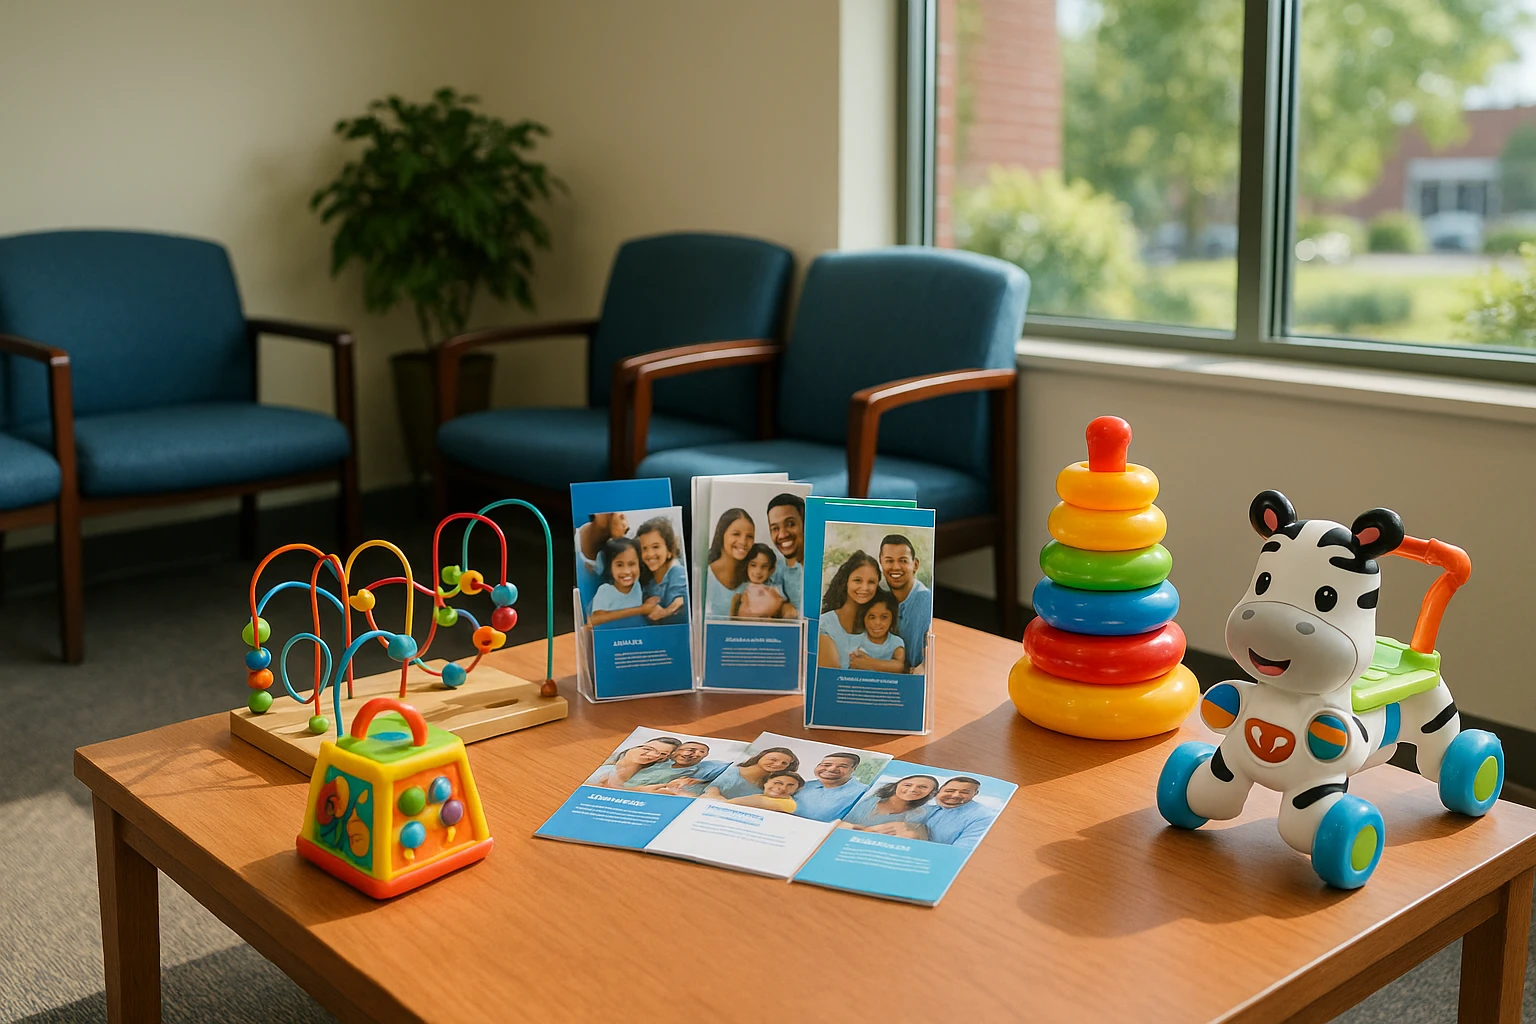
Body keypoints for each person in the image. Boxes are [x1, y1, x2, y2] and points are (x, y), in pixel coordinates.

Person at [817, 551, 881, 669]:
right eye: (858, 580)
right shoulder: (824, 625)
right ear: (846, 582)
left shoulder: (879, 625)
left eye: (871, 582)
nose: (865, 588)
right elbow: (831, 675)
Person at [879, 534, 932, 671]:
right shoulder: (880, 599)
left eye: (903, 560)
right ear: (881, 562)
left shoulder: (925, 601)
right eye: (889, 561)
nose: (896, 567)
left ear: (915, 565)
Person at [589, 537, 659, 628]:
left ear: (639, 564)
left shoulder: (636, 585)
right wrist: (640, 610)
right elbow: (596, 619)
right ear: (610, 567)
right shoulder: (605, 590)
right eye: (619, 565)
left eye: (632, 564)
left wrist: (649, 602)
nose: (626, 571)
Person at [908, 777, 993, 848]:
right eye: (950, 790)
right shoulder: (924, 805)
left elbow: (962, 851)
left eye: (964, 792)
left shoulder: (982, 816)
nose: (955, 795)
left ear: (975, 794)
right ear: (939, 790)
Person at [636, 516, 688, 626]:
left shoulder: (677, 572)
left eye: (655, 547)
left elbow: (679, 602)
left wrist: (664, 612)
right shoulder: (650, 579)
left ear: (669, 549)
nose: (650, 554)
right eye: (644, 548)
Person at [838, 774, 939, 829]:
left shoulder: (920, 815)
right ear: (896, 785)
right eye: (907, 785)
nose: (913, 789)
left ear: (931, 793)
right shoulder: (869, 799)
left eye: (923, 787)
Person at [705, 508, 754, 619]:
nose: (743, 542)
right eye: (736, 534)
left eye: (749, 536)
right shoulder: (704, 576)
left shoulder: (754, 578)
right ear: (721, 534)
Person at [792, 752, 869, 822]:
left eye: (842, 766)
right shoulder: (802, 785)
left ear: (853, 769)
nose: (831, 769)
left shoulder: (864, 792)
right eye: (826, 765)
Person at [628, 741, 729, 793]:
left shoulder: (706, 768)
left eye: (701, 752)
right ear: (675, 752)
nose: (694, 754)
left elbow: (734, 768)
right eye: (690, 749)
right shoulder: (658, 761)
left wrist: (698, 781)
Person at [701, 747, 800, 800]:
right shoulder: (731, 772)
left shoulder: (769, 786)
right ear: (761, 756)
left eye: (784, 763)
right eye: (773, 759)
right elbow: (710, 791)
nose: (778, 764)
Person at [730, 543, 796, 619]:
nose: (758, 571)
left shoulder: (775, 588)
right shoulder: (741, 589)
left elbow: (786, 608)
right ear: (746, 565)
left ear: (771, 569)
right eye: (753, 565)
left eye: (764, 566)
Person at [585, 737, 681, 788]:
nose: (652, 755)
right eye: (647, 749)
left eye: (663, 754)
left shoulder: (652, 775)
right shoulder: (607, 768)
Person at [848, 590, 906, 673]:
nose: (877, 623)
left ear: (892, 619)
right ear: (864, 618)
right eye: (872, 617)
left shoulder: (896, 642)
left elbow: (899, 666)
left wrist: (867, 663)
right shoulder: (856, 640)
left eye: (884, 617)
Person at [766, 493, 806, 612]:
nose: (783, 535)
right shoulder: (773, 568)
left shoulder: (826, 564)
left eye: (790, 524)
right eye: (775, 528)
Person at [728, 771, 804, 813]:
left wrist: (716, 793)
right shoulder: (758, 796)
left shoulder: (788, 804)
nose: (783, 788)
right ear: (766, 783)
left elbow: (727, 803)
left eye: (790, 786)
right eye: (778, 783)